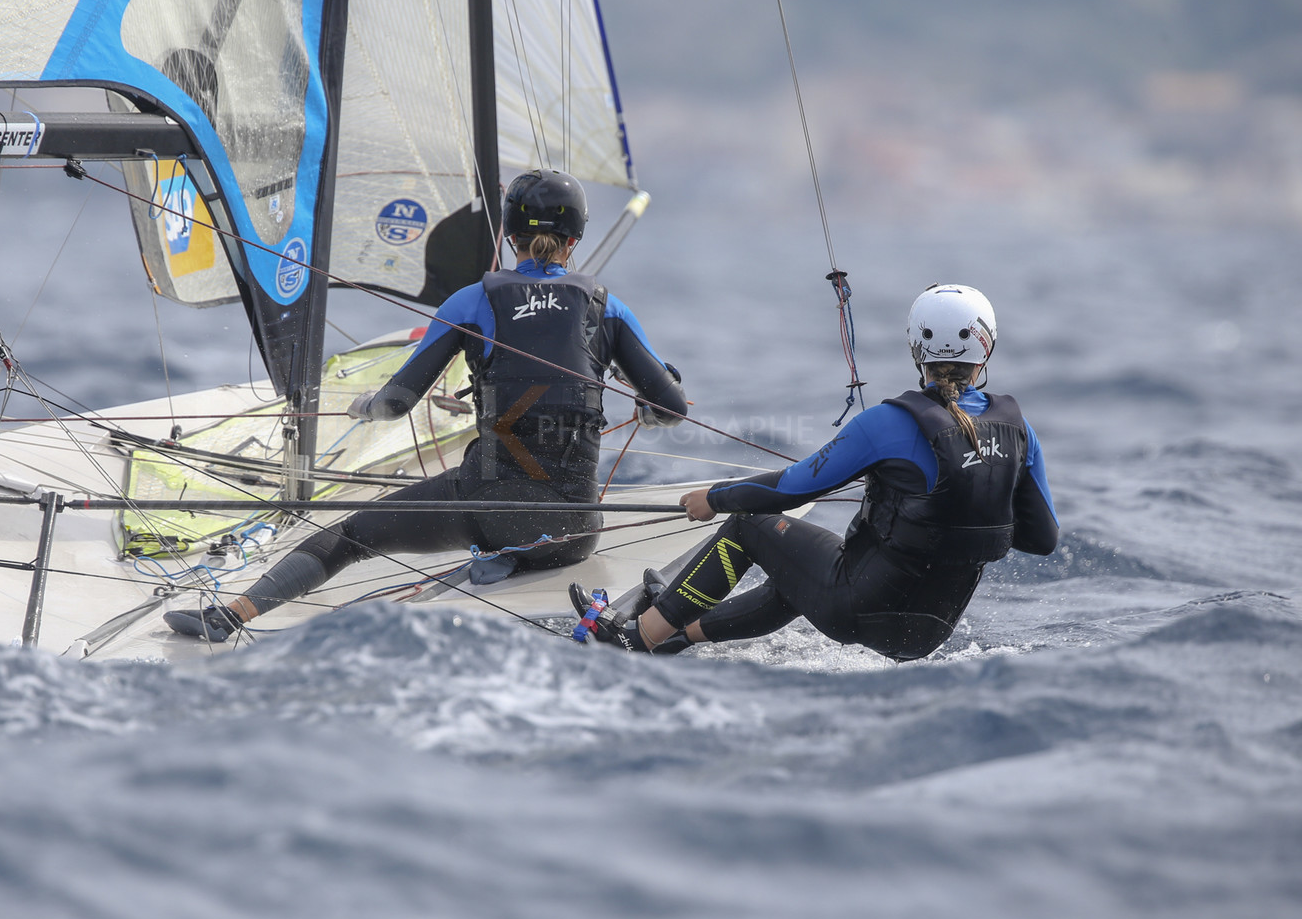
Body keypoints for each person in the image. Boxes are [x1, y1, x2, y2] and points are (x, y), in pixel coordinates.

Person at [166, 169, 687, 640]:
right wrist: (648, 410)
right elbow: (672, 406)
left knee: (349, 535)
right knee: (537, 512)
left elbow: (396, 405)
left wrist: (364, 406)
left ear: (509, 235)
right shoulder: (607, 306)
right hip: (577, 533)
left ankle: (228, 617)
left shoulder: (472, 300)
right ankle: (509, 562)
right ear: (574, 240)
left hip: (490, 508)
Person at [577, 283, 1057, 661]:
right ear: (985, 351)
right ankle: (683, 634)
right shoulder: (1020, 432)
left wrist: (716, 498)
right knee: (799, 571)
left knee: (749, 525)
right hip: (926, 634)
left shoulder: (890, 424)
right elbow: (1042, 538)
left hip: (858, 611)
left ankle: (637, 638)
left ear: (916, 349)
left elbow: (791, 488)